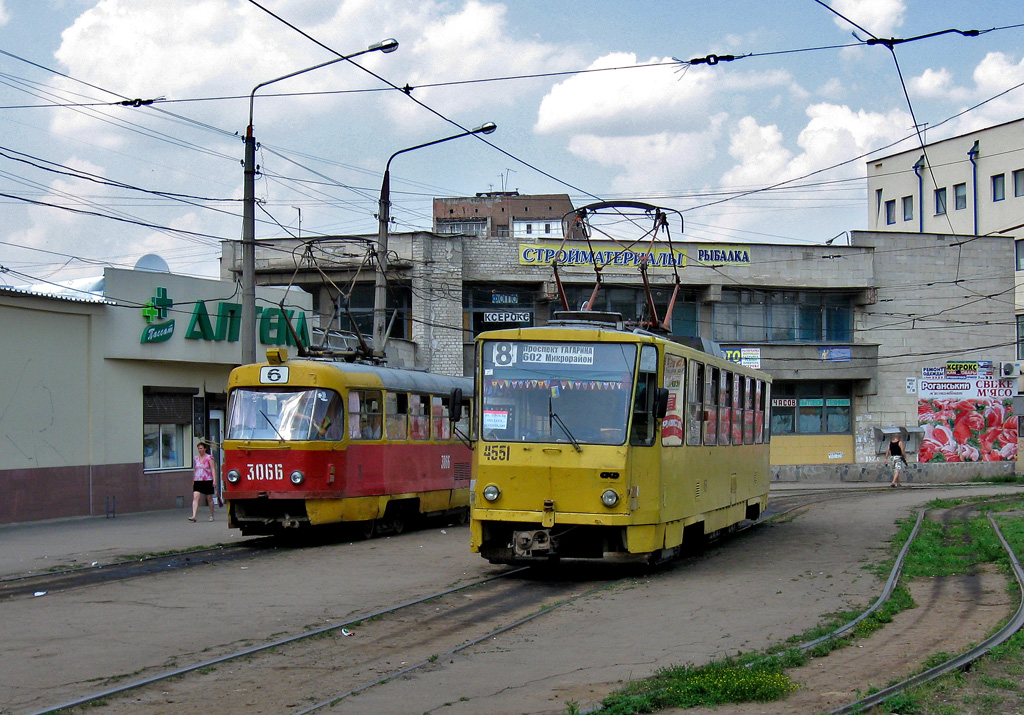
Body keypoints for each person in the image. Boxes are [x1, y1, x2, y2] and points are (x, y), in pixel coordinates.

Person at [189, 441, 216, 521]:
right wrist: (193, 479)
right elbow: (195, 469)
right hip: (198, 480)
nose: (199, 450)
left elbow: (213, 469)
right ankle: (194, 515)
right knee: (195, 497)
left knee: (209, 498)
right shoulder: (196, 458)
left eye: (201, 448)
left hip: (207, 479)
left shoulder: (209, 458)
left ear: (205, 449)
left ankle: (211, 515)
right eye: (198, 449)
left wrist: (214, 480)